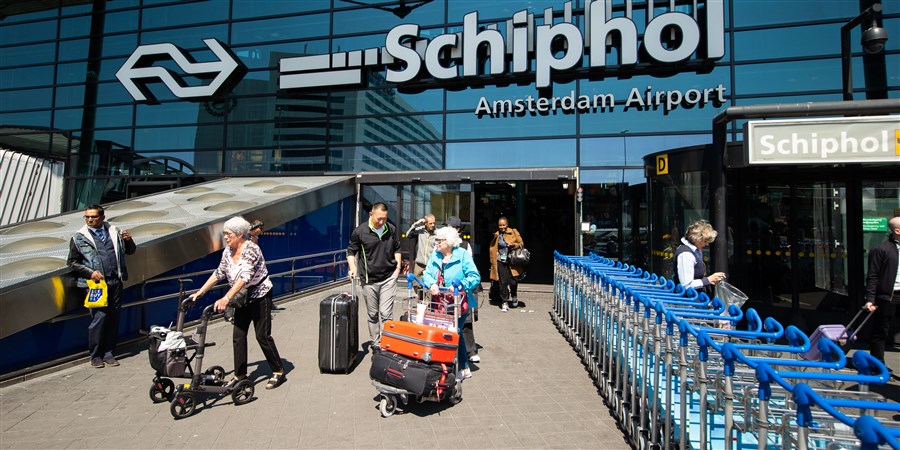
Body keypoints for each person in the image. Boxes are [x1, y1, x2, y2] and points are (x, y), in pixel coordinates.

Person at [188, 216, 286, 390]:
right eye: (224, 233)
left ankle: (278, 371)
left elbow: (244, 278)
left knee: (262, 335)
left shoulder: (252, 250)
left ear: (240, 234)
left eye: (228, 234)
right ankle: (240, 375)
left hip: (259, 295)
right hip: (241, 297)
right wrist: (200, 292)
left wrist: (226, 298)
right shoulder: (228, 251)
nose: (225, 237)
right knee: (238, 336)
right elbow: (219, 273)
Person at [67, 205, 137, 368]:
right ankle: (96, 355)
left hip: (115, 281)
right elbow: (72, 262)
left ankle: (109, 353)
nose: (89, 220)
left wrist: (128, 240)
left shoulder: (114, 232)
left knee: (114, 317)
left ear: (102, 217)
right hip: (96, 284)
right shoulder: (79, 237)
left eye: (93, 217)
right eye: (87, 217)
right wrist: (90, 273)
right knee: (100, 318)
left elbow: (131, 251)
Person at [422, 226, 481, 379]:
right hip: (439, 304)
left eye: (439, 241)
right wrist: (431, 284)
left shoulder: (462, 255)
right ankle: (441, 363)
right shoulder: (435, 255)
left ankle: (464, 367)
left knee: (456, 332)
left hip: (459, 303)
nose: (436, 243)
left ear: (448, 242)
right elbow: (426, 274)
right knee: (441, 332)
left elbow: (475, 276)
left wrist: (460, 284)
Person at [347, 202, 402, 347]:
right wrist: (352, 267)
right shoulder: (360, 232)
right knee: (372, 314)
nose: (382, 221)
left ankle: (387, 345)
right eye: (379, 218)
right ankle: (376, 343)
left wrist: (398, 268)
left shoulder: (391, 229)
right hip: (369, 279)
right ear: (371, 214)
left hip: (389, 277)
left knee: (386, 314)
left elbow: (397, 248)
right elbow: (351, 251)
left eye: (384, 218)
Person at [864, 216, 900, 368]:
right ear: (897, 231)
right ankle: (878, 365)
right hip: (888, 296)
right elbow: (872, 276)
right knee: (880, 331)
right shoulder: (881, 250)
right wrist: (870, 299)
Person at [447, 216, 478, 362]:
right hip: (446, 291)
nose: (449, 229)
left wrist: (464, 284)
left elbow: (471, 270)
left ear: (458, 229)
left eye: (451, 227)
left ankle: (470, 351)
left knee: (465, 321)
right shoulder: (441, 244)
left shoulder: (464, 246)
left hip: (462, 289)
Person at [674, 220, 726, 291]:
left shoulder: (696, 250)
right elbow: (686, 285)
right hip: (688, 299)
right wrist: (708, 280)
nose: (706, 244)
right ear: (696, 239)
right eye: (704, 241)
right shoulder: (685, 254)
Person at [489, 216, 524, 312]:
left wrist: (513, 245)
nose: (502, 227)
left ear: (507, 224)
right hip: (501, 261)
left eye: (504, 225)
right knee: (503, 282)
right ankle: (504, 301)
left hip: (513, 261)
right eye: (500, 225)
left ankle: (514, 295)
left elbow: (521, 244)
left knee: (513, 281)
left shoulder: (514, 232)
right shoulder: (496, 235)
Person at [406, 214, 436, 278]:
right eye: (430, 223)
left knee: (430, 285)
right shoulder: (420, 230)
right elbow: (408, 235)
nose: (432, 225)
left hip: (431, 264)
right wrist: (416, 224)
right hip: (419, 264)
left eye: (434, 223)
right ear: (425, 223)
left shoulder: (437, 233)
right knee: (416, 284)